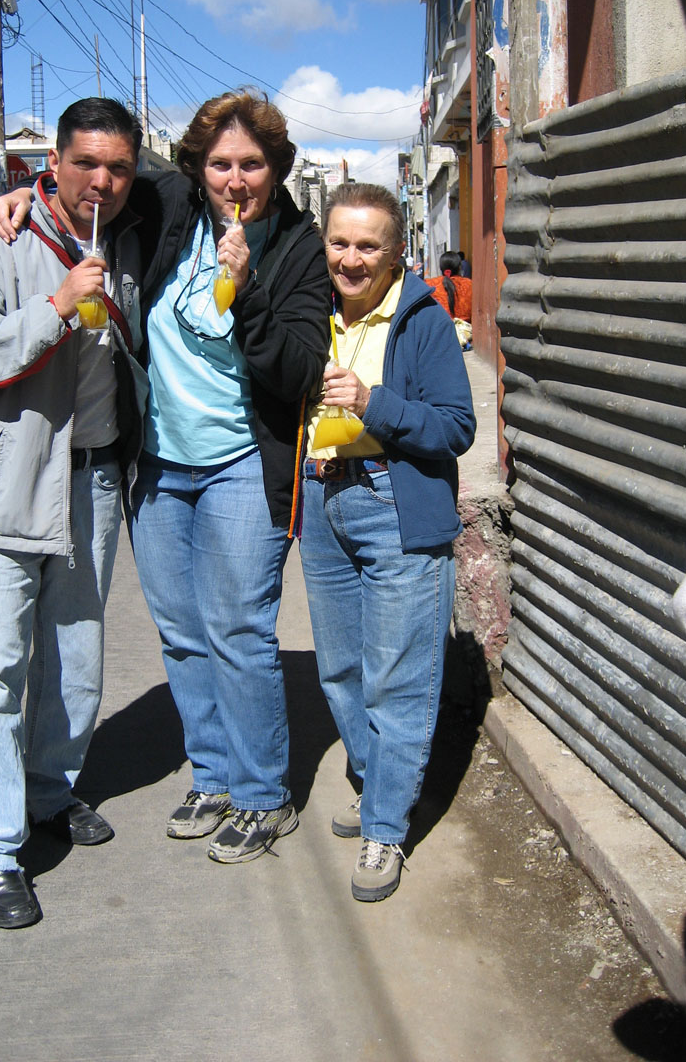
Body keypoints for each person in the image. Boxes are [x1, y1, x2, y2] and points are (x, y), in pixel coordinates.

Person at [0, 90, 331, 865]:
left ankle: (263, 793)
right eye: (220, 163)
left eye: (252, 164)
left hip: (242, 464)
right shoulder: (170, 206)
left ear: (276, 169)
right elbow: (88, 184)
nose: (235, 179)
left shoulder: (298, 245)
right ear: (197, 168)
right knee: (182, 632)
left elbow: (299, 369)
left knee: (238, 629)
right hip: (159, 465)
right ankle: (213, 775)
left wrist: (250, 289)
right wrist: (21, 196)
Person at [0, 97, 148, 929]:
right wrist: (55, 306)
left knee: (75, 661)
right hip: (2, 488)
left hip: (90, 484)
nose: (102, 181)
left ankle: (49, 793)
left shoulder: (126, 235)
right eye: (85, 163)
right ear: (52, 163)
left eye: (119, 168)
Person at [300, 184, 475, 902]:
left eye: (368, 245)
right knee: (342, 669)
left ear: (397, 250)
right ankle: (378, 787)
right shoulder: (311, 308)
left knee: (398, 678)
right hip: (323, 497)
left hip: (392, 500)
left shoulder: (423, 318)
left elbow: (456, 426)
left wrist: (373, 402)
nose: (351, 258)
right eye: (339, 242)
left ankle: (385, 828)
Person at [426, 249, 473, 322]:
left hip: (440, 327)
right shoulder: (470, 284)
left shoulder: (430, 285)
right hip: (466, 328)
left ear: (441, 268)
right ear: (459, 267)